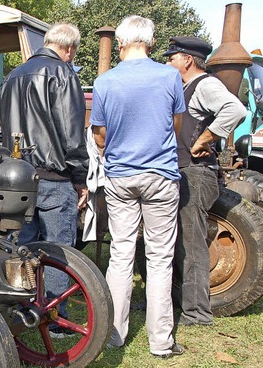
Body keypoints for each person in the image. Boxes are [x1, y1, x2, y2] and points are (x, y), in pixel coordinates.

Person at [90, 15, 185, 358]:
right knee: (160, 258)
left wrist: (114, 149)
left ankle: (114, 334)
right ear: (151, 41)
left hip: (120, 176)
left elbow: (99, 133)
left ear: (121, 43)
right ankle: (161, 342)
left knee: (121, 254)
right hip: (160, 175)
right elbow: (174, 127)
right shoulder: (170, 76)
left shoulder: (105, 82)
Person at [0, 22, 88, 338]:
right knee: (59, 251)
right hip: (54, 177)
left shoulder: (11, 77)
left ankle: (19, 310)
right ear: (70, 48)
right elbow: (72, 133)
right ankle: (56, 320)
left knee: (21, 247)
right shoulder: (64, 74)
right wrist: (79, 176)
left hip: (16, 178)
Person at [164, 36, 247, 326]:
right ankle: (179, 302)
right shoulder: (185, 87)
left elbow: (235, 110)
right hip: (184, 170)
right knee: (179, 240)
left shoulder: (206, 84)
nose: (168, 62)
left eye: (171, 57)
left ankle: (197, 312)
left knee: (191, 241)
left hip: (196, 172)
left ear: (187, 59)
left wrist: (206, 137)